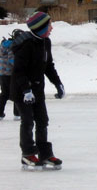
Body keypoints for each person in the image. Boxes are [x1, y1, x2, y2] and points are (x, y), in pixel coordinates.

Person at [11, 11, 65, 170]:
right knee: (27, 121)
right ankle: (27, 155)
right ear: (41, 28)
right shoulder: (26, 45)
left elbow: (48, 66)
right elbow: (18, 71)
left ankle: (45, 154)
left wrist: (58, 84)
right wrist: (26, 91)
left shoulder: (45, 42)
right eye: (49, 25)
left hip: (37, 89)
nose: (52, 28)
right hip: (22, 91)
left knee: (42, 121)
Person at [0, 30, 21, 121]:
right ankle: (17, 113)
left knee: (4, 93)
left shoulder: (4, 45)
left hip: (2, 72)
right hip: (10, 73)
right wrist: (20, 66)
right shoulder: (13, 45)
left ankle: (0, 113)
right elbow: (12, 59)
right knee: (16, 92)